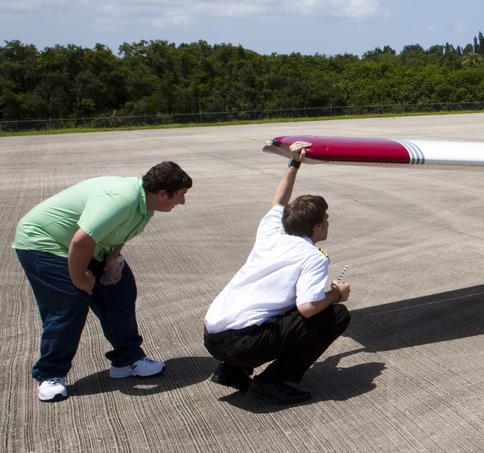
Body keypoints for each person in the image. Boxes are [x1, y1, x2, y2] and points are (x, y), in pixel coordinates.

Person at [12, 161, 193, 403]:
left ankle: (127, 360)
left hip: (88, 247)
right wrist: (80, 279)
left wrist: (112, 260)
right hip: (45, 243)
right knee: (70, 304)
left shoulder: (145, 204)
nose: (182, 202)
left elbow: (120, 233)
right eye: (180, 195)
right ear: (162, 193)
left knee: (120, 291)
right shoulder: (122, 200)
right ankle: (50, 374)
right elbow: (81, 241)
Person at [203, 141, 350, 405]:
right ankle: (272, 383)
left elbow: (278, 201)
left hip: (212, 338)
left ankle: (230, 370)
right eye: (326, 219)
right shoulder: (312, 257)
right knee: (335, 315)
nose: (328, 223)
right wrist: (336, 294)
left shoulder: (272, 232)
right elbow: (307, 308)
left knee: (275, 307)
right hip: (242, 345)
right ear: (317, 226)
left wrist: (294, 163)